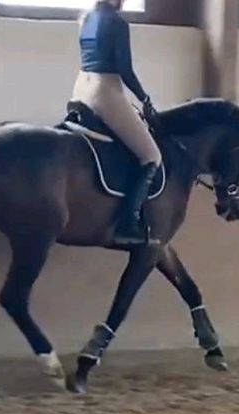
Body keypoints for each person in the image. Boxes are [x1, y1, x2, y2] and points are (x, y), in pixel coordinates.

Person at [72, 0, 161, 247]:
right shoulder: (118, 23)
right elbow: (125, 70)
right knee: (151, 155)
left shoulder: (87, 18)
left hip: (81, 89)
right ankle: (128, 224)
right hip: (105, 91)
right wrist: (144, 98)